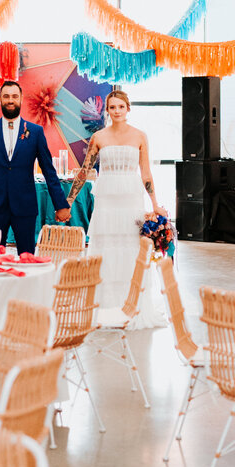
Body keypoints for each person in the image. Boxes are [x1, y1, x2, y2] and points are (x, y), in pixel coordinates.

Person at [69, 88, 167, 321]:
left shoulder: (140, 136)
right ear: (107, 110)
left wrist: (155, 204)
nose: (116, 111)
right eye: (112, 107)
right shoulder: (99, 137)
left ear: (128, 109)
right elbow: (85, 170)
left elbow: (146, 173)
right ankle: (104, 303)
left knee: (131, 246)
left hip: (131, 198)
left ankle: (131, 303)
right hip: (106, 199)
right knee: (106, 247)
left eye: (120, 107)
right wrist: (69, 200)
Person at [0, 79, 70, 256]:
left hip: (25, 206)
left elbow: (48, 171)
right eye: (6, 96)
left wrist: (60, 205)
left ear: (21, 99)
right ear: (0, 99)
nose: (10, 100)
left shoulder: (36, 132)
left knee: (27, 257)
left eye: (14, 96)